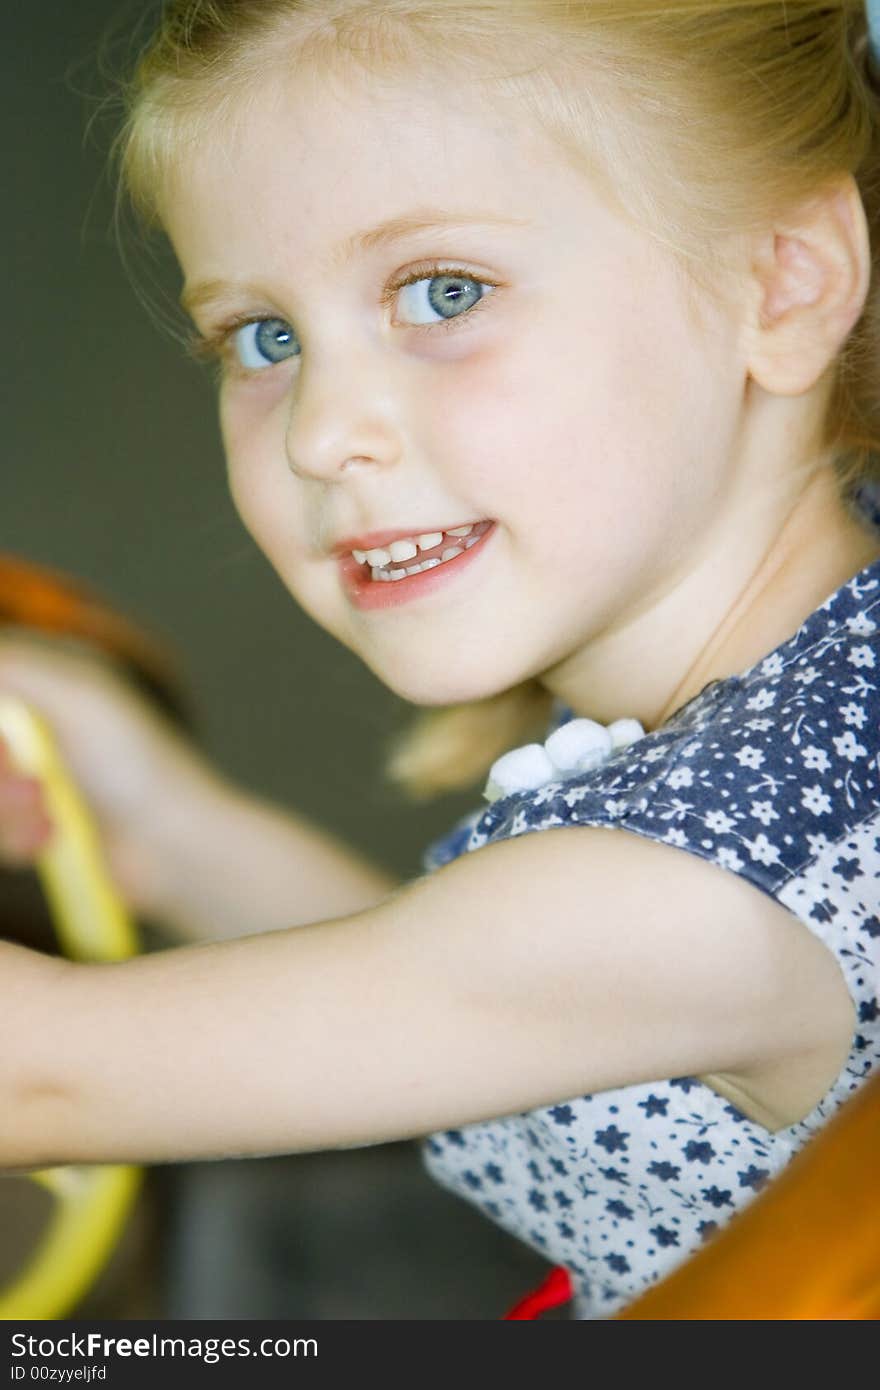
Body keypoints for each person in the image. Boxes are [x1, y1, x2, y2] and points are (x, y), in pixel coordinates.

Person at [2, 0, 880, 1319]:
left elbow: (41, 1073)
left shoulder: (706, 885)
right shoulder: (811, 706)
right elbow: (470, 1002)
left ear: (785, 282)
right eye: (264, 337)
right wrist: (159, 822)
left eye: (442, 293)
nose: (320, 434)